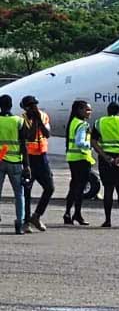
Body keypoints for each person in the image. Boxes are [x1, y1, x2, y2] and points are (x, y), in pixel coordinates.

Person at [92, 101, 119, 228]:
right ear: (118, 111)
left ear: (107, 111)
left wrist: (105, 156)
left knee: (108, 190)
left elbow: (93, 141)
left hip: (106, 159)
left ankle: (108, 220)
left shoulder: (99, 122)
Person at [20, 95, 51, 233]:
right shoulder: (22, 119)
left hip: (42, 157)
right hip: (28, 158)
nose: (33, 108)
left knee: (50, 188)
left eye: (34, 105)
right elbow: (30, 136)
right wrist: (34, 122)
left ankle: (36, 216)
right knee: (27, 191)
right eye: (30, 106)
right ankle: (26, 221)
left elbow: (47, 133)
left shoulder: (43, 116)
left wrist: (39, 119)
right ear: (25, 108)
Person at [0, 95, 30, 235]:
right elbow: (24, 144)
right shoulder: (19, 121)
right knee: (19, 194)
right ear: (11, 105)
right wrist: (27, 165)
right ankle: (19, 222)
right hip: (15, 162)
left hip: (0, 160)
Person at [62, 100, 95, 227]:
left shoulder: (73, 122)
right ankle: (77, 214)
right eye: (87, 110)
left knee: (73, 186)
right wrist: (90, 145)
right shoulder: (82, 125)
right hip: (82, 158)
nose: (89, 112)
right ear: (79, 110)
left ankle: (67, 213)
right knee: (79, 189)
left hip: (72, 158)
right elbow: (80, 142)